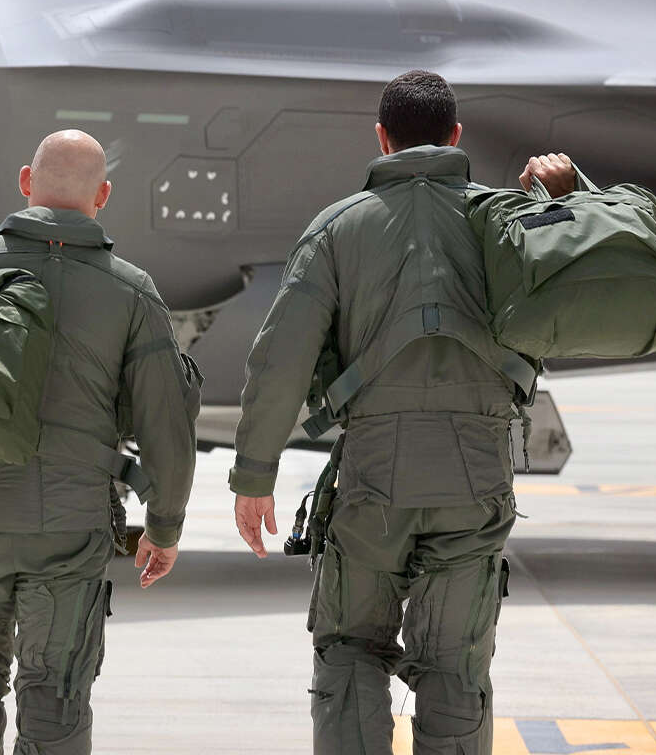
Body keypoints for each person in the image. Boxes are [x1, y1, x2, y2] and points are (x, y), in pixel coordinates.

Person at [228, 70, 575, 755]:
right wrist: (565, 203)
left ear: (382, 139)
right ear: (456, 136)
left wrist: (254, 475)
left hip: (373, 475)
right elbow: (583, 286)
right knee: (454, 665)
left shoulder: (338, 227)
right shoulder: (508, 219)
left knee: (350, 647)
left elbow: (280, 357)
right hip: (476, 473)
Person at [0, 129, 199, 755]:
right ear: (103, 195)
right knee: (56, 692)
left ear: (26, 181)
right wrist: (164, 527)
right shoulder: (133, 290)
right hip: (72, 527)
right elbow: (166, 423)